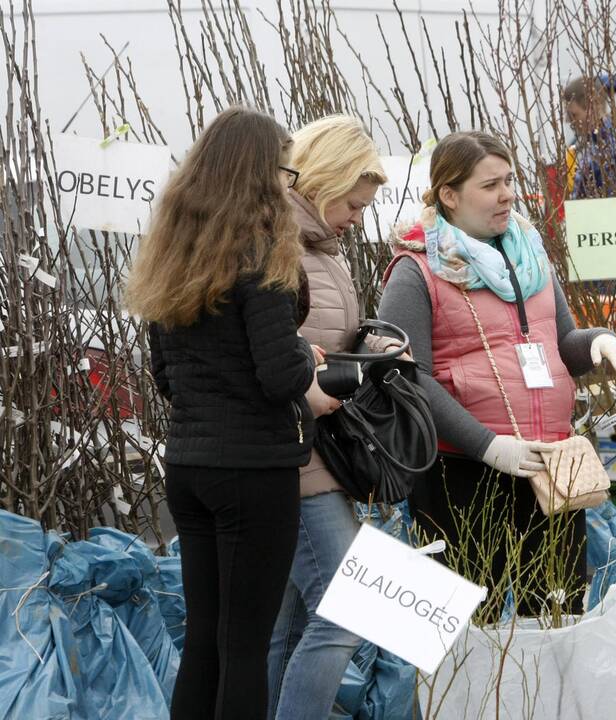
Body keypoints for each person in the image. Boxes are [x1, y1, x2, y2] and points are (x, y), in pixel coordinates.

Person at [378, 131, 616, 615]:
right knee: (473, 619)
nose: (507, 194)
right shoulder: (416, 270)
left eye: (510, 181)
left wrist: (599, 341)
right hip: (462, 472)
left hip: (550, 467)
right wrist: (488, 445)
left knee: (557, 611)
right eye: (490, 184)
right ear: (449, 195)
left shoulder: (531, 257)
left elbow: (562, 345)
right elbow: (409, 380)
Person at [126, 107, 318, 720]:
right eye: (287, 173)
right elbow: (279, 375)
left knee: (206, 644)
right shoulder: (262, 251)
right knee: (245, 647)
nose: (291, 187)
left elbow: (163, 376)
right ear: (264, 174)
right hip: (254, 471)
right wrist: (309, 359)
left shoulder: (175, 251)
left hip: (188, 467)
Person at [265, 115, 390, 720]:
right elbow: (277, 361)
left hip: (315, 456)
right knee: (344, 611)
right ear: (320, 180)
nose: (358, 216)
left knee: (285, 627)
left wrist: (372, 352)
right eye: (352, 202)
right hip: (299, 461)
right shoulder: (280, 247)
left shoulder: (323, 252)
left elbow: (326, 347)